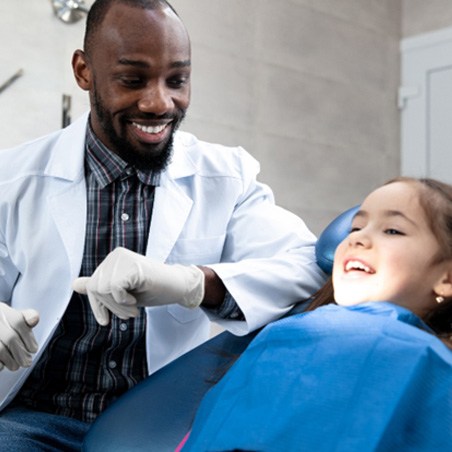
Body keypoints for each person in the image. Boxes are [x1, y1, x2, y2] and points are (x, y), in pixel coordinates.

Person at [0, 0, 325, 449]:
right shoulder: (12, 177)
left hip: (157, 422)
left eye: (177, 80)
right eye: (132, 80)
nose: (159, 103)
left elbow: (310, 267)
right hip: (31, 420)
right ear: (84, 71)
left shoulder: (225, 176)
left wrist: (195, 283)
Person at [180, 177, 452, 451]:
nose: (358, 238)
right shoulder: (282, 334)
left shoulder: (428, 362)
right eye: (356, 227)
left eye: (393, 231)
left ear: (448, 277)